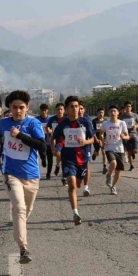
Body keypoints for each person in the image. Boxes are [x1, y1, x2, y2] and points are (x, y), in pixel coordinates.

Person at [0, 90, 46, 264]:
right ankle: (23, 248)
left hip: (32, 175)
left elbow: (42, 146)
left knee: (27, 209)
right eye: (14, 107)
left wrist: (19, 135)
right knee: (19, 207)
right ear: (9, 108)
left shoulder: (33, 124)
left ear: (27, 108)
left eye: (21, 107)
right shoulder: (4, 123)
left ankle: (18, 227)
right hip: (10, 173)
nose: (18, 111)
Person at [51, 96, 95, 225]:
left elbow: (93, 139)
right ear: (66, 109)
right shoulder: (62, 125)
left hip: (82, 159)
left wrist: (85, 141)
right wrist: (54, 149)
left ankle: (80, 186)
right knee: (71, 185)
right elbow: (53, 138)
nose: (75, 109)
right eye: (72, 107)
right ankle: (75, 213)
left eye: (76, 106)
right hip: (68, 159)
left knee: (78, 185)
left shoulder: (85, 122)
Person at [99, 105, 129, 195]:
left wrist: (124, 136)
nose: (113, 113)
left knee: (118, 171)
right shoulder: (105, 124)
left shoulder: (122, 123)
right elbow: (101, 133)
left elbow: (127, 135)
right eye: (111, 111)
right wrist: (102, 140)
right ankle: (108, 175)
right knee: (113, 163)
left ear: (118, 113)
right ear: (108, 113)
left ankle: (113, 186)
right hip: (109, 147)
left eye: (114, 111)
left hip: (119, 148)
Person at [46, 103, 66, 184]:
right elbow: (47, 127)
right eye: (58, 109)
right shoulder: (52, 119)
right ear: (55, 110)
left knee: (65, 159)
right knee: (58, 154)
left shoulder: (66, 119)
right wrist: (49, 131)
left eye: (61, 109)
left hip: (66, 141)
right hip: (57, 140)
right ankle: (58, 165)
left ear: (64, 110)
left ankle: (64, 177)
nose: (60, 111)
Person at [119, 101, 138, 171]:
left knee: (135, 151)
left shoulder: (134, 115)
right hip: (126, 135)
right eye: (127, 106)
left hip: (133, 134)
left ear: (131, 107)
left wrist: (136, 126)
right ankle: (131, 165)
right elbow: (119, 125)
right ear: (125, 108)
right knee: (129, 151)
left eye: (129, 106)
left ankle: (134, 152)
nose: (128, 108)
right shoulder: (122, 116)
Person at [79, 101, 93, 196]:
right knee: (78, 170)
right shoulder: (68, 120)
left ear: (84, 109)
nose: (79, 110)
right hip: (72, 149)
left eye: (81, 108)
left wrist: (86, 142)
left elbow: (92, 137)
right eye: (77, 108)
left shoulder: (87, 120)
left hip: (85, 148)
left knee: (87, 166)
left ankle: (86, 187)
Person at [34, 103, 51, 176]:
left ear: (47, 111)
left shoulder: (50, 119)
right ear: (40, 111)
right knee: (43, 154)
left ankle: (48, 173)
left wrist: (50, 131)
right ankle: (43, 159)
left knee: (50, 157)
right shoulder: (36, 119)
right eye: (42, 110)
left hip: (49, 141)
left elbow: (55, 128)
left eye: (45, 110)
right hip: (40, 141)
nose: (44, 112)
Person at [92, 108, 108, 174]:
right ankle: (95, 153)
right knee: (97, 152)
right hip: (96, 139)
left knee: (104, 153)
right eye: (100, 113)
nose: (101, 114)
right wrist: (98, 131)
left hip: (103, 139)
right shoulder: (94, 121)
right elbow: (92, 131)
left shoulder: (106, 121)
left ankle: (104, 167)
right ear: (97, 113)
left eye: (102, 112)